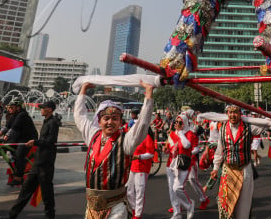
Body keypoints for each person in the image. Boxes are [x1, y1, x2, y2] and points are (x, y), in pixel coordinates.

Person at [75, 81, 154, 218]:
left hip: (115, 206)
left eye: (115, 118)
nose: (110, 122)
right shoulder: (93, 135)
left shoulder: (126, 141)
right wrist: (83, 90)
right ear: (99, 121)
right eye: (106, 118)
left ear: (120, 121)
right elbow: (79, 116)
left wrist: (148, 94)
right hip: (92, 206)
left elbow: (142, 124)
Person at [210, 105, 271, 219]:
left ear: (241, 114)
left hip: (245, 170)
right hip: (228, 170)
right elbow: (220, 151)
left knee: (243, 206)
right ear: (227, 114)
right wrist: (215, 168)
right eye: (230, 112)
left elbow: (269, 123)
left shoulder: (249, 127)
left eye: (235, 112)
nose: (232, 115)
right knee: (226, 205)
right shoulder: (223, 128)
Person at [9, 100, 61, 219]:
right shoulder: (46, 121)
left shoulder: (53, 123)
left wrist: (35, 142)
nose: (41, 109)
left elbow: (50, 141)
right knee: (25, 190)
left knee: (47, 193)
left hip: (45, 164)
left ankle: (50, 216)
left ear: (50, 110)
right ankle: (12, 215)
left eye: (43, 107)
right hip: (38, 163)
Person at [2, 98, 38, 186]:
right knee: (6, 148)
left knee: (19, 154)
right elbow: (6, 127)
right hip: (19, 138)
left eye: (11, 107)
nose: (9, 109)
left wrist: (5, 137)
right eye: (9, 107)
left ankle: (19, 178)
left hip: (28, 138)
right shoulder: (13, 115)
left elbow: (13, 128)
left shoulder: (22, 115)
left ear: (18, 107)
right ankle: (17, 167)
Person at [167, 114, 195, 219]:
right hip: (172, 164)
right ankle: (177, 212)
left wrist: (181, 134)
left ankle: (189, 205)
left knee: (177, 188)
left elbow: (187, 145)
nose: (176, 124)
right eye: (175, 122)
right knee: (172, 189)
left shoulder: (189, 134)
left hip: (184, 164)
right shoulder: (172, 134)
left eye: (179, 122)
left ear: (184, 123)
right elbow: (170, 146)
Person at [127, 127, 156, 219]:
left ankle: (138, 214)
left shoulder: (147, 137)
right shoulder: (136, 138)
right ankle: (134, 209)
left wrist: (138, 157)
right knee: (129, 191)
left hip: (142, 168)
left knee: (139, 191)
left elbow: (151, 153)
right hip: (133, 167)